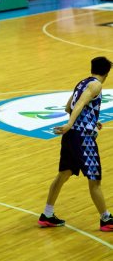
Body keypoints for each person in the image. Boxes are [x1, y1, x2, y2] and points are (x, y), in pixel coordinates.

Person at [38, 57, 113, 232]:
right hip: (83, 138)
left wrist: (92, 120)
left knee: (63, 174)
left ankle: (47, 214)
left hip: (72, 136)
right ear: (107, 73)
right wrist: (71, 124)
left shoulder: (82, 82)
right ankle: (106, 219)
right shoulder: (96, 85)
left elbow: (68, 106)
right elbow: (79, 104)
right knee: (95, 179)